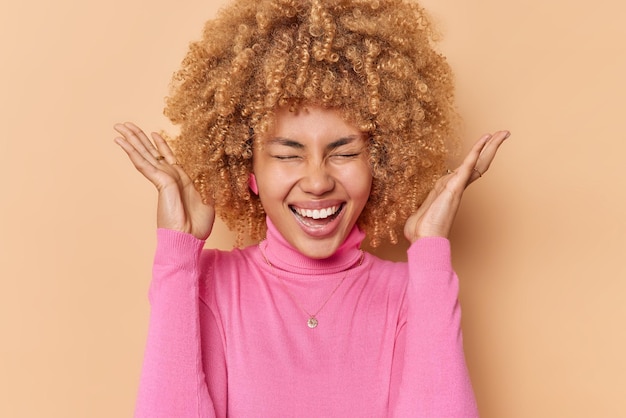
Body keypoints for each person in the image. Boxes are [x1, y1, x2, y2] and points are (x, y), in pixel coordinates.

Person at [114, 0, 509, 416]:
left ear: (380, 163)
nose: (318, 182)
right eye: (288, 155)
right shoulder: (208, 284)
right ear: (248, 170)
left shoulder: (413, 292)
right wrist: (176, 257)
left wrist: (430, 251)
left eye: (344, 152)